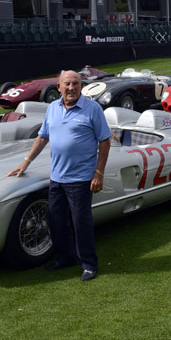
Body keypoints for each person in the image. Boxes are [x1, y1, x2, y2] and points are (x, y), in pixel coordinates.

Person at [7, 69, 111, 280]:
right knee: (56, 221)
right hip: (57, 178)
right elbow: (42, 137)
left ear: (81, 87)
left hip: (81, 179)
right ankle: (66, 258)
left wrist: (99, 173)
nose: (71, 88)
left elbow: (105, 141)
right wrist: (25, 163)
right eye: (67, 84)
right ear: (59, 87)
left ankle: (89, 264)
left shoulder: (93, 109)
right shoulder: (53, 108)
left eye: (75, 84)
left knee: (81, 223)